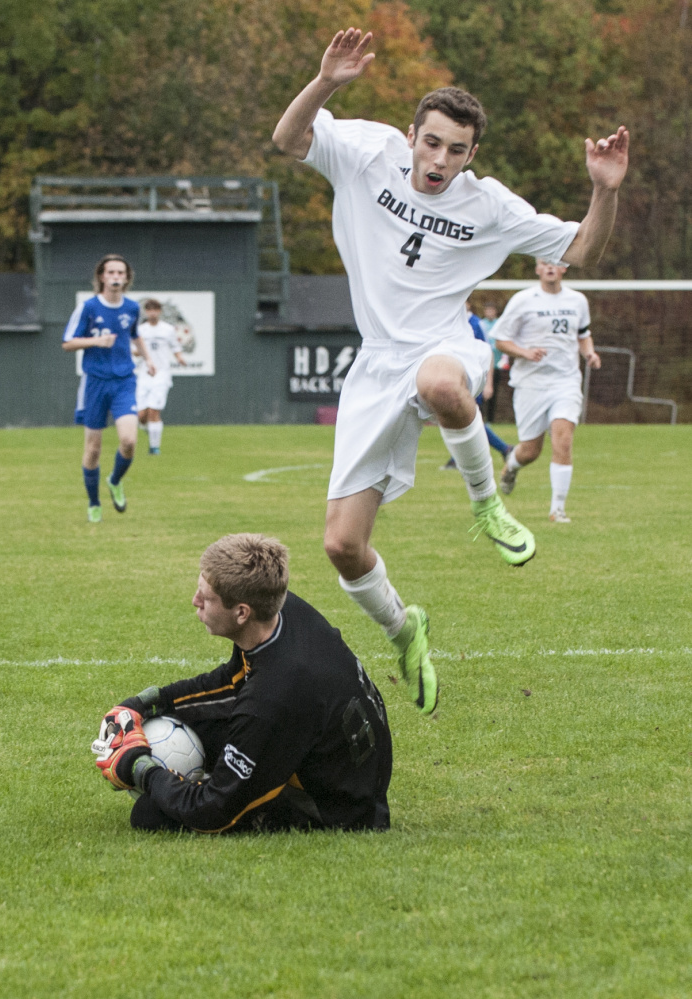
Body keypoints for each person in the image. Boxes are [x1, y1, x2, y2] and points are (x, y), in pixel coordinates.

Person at [272, 27, 628, 715]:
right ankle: (406, 631)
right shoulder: (367, 152)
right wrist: (326, 83)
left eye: (456, 149)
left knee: (440, 386)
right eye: (431, 142)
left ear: (472, 154)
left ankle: (487, 504)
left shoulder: (488, 205)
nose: (439, 159)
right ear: (411, 135)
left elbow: (582, 248)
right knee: (342, 545)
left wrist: (603, 190)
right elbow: (289, 139)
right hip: (375, 363)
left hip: (444, 341)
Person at [92, 533, 392, 834]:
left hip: (335, 807)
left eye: (205, 598)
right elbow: (232, 680)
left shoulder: (272, 697)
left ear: (241, 612)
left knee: (149, 814)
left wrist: (141, 769)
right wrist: (147, 704)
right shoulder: (280, 611)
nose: (194, 602)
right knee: (183, 724)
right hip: (336, 762)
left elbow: (211, 812)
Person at [495, 260, 601, 522]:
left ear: (564, 268)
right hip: (531, 383)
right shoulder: (523, 300)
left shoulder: (577, 301)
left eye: (556, 263)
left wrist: (589, 352)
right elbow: (501, 340)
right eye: (545, 263)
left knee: (563, 440)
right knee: (530, 451)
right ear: (537, 269)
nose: (551, 268)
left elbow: (583, 333)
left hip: (565, 381)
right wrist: (525, 352)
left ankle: (557, 509)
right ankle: (511, 466)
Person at [62, 254, 155, 522]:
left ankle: (115, 480)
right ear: (101, 276)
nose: (115, 277)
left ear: (126, 278)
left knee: (129, 441)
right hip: (95, 382)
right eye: (111, 272)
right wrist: (96, 342)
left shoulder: (132, 308)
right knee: (93, 448)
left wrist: (148, 359)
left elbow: (135, 334)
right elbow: (67, 342)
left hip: (124, 381)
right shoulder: (88, 307)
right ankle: (94, 502)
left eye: (120, 273)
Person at [442, 302, 512, 469]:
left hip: (472, 378)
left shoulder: (476, 324)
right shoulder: (448, 322)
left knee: (470, 420)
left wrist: (488, 383)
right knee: (464, 419)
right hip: (455, 377)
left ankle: (503, 449)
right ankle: (502, 449)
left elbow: (487, 353)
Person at [135, 299, 187, 455]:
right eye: (149, 310)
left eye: (155, 309)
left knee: (154, 411)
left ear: (160, 311)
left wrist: (179, 358)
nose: (152, 313)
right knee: (141, 415)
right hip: (144, 375)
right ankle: (150, 430)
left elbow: (175, 347)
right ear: (145, 312)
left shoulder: (168, 329)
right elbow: (134, 350)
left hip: (161, 374)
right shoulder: (140, 330)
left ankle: (154, 447)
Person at [479, 302, 508, 423]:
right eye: (488, 310)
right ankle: (479, 419)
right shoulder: (481, 324)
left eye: (492, 310)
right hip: (482, 366)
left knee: (493, 393)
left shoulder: (500, 324)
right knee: (479, 392)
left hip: (496, 365)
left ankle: (490, 420)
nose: (490, 312)